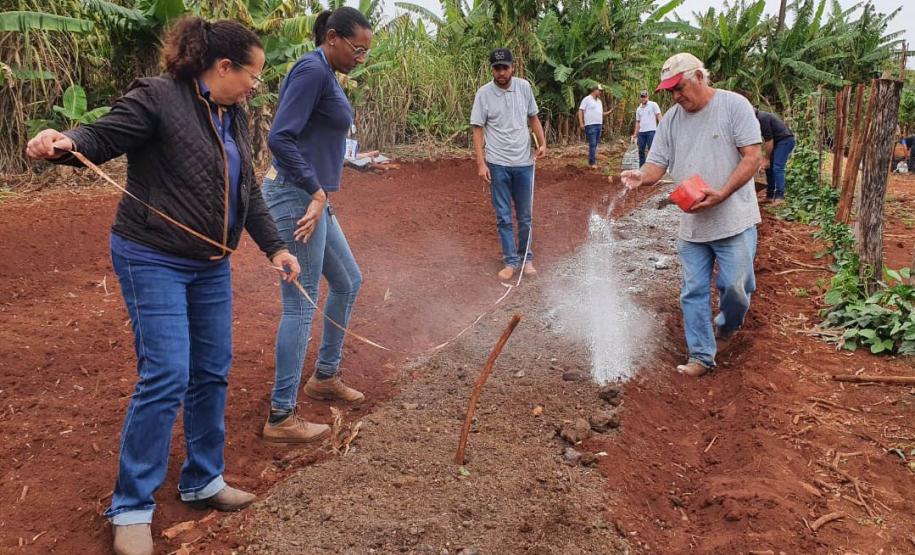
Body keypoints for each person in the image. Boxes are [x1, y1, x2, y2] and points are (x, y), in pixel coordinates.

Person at [25, 17, 300, 555]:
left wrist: (276, 247)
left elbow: (248, 195)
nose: (254, 86)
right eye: (254, 75)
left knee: (212, 370)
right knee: (167, 372)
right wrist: (64, 142)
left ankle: (203, 478)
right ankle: (130, 504)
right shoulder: (157, 97)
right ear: (223, 67)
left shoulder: (236, 116)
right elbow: (102, 135)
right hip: (152, 256)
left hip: (210, 264)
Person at [262, 7, 373, 443]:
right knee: (300, 304)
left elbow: (313, 135)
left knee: (347, 281)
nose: (361, 57)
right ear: (332, 37)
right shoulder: (312, 70)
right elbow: (279, 137)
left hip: (311, 196)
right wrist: (315, 189)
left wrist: (350, 164)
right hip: (297, 197)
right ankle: (281, 415)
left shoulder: (325, 73)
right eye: (357, 48)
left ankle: (324, 376)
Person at [621, 53, 762, 378]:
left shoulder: (733, 106)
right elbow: (657, 163)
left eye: (679, 87)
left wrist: (723, 192)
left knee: (736, 289)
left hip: (734, 221)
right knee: (694, 290)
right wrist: (641, 176)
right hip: (693, 225)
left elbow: (753, 157)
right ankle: (701, 355)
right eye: (670, 91)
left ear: (699, 77)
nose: (676, 96)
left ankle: (726, 327)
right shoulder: (671, 119)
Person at [471, 47, 548, 281]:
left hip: (525, 162)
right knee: (503, 216)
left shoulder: (524, 88)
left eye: (505, 67)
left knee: (525, 215)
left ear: (512, 67)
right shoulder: (483, 94)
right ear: (492, 70)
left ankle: (526, 258)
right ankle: (510, 261)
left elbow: (533, 117)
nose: (501, 72)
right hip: (498, 163)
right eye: (497, 68)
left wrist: (542, 143)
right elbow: (477, 128)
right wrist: (481, 163)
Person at [755, 109, 795, 202]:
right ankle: (769, 196)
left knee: (777, 167)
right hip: (777, 142)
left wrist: (766, 158)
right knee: (768, 168)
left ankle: (780, 197)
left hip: (785, 141)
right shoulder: (757, 119)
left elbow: (769, 141)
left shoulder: (762, 118)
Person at [578, 84, 613, 169]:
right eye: (599, 90)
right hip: (590, 125)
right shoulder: (587, 99)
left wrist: (609, 112)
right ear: (594, 90)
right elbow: (580, 111)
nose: (600, 92)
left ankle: (592, 161)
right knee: (592, 143)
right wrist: (581, 123)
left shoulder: (599, 101)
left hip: (599, 124)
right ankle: (592, 163)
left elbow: (600, 114)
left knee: (595, 144)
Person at [632, 89, 662, 167]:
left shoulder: (653, 105)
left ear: (647, 97)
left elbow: (658, 115)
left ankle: (651, 166)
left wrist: (662, 127)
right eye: (642, 97)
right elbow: (638, 122)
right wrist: (635, 134)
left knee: (651, 150)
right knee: (641, 150)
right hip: (641, 132)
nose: (643, 98)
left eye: (645, 97)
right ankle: (642, 167)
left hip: (651, 131)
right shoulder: (639, 109)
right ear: (640, 98)